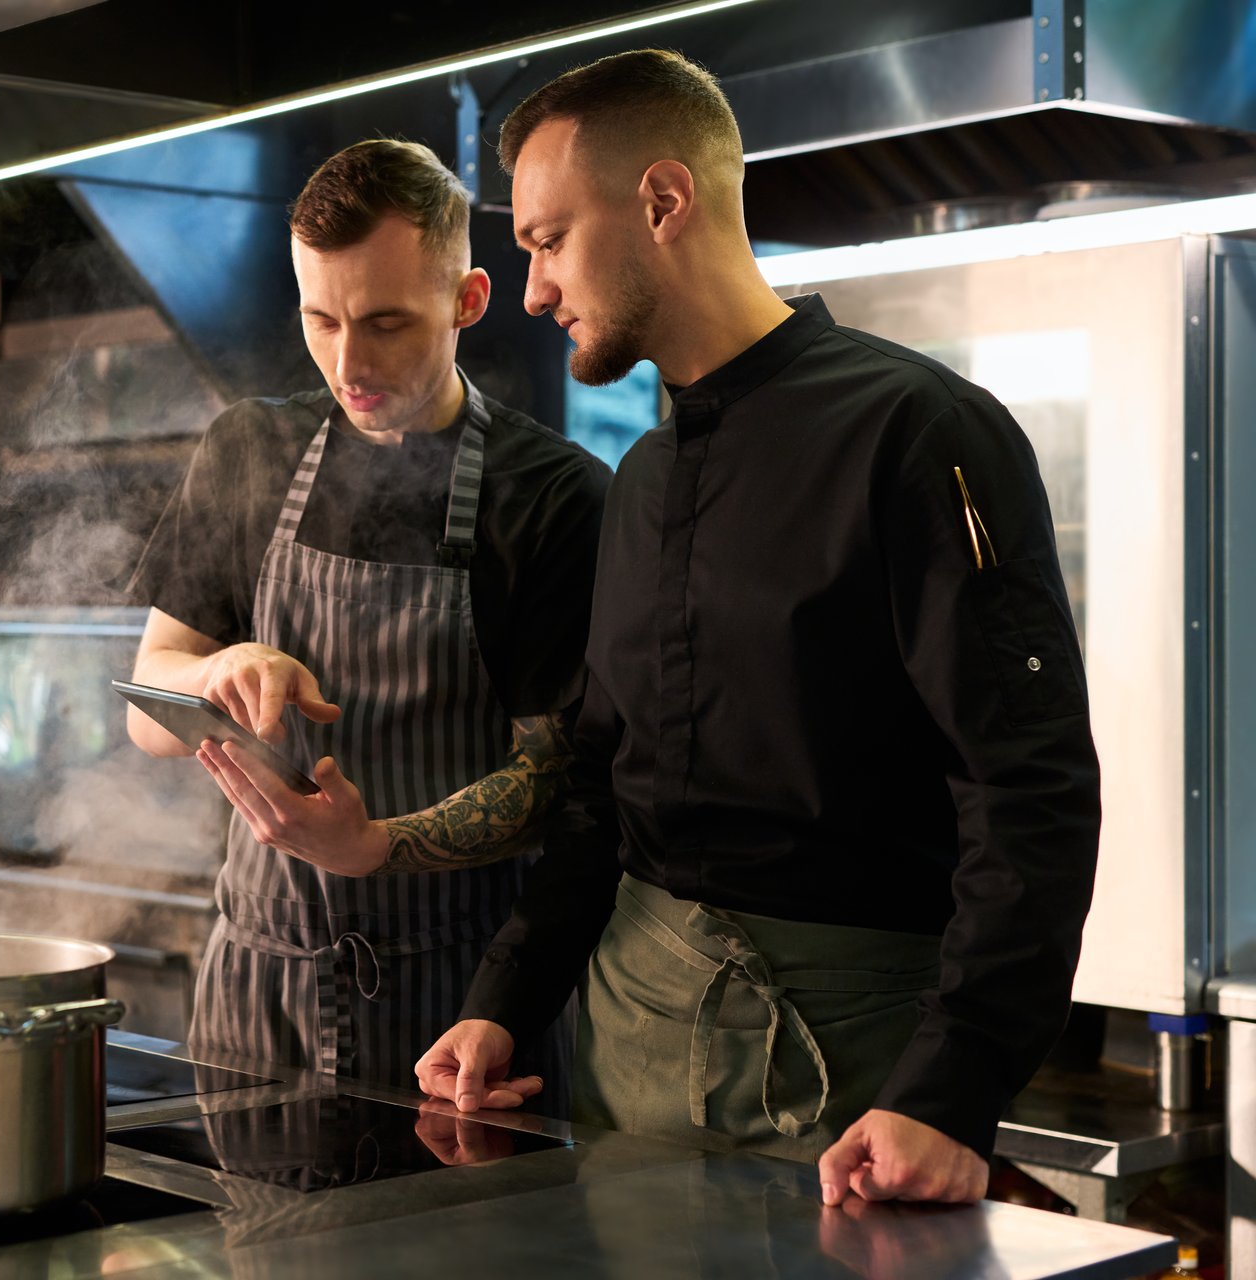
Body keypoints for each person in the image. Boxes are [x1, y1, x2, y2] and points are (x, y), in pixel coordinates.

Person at [414, 49, 1101, 1206]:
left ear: (664, 201)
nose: (531, 290)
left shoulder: (920, 430)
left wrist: (949, 1091)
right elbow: (599, 787)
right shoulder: (638, 477)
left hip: (854, 1084)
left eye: (545, 239)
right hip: (628, 1075)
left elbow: (1027, 791)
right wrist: (503, 999)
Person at [126, 139, 611, 1099]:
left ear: (468, 300)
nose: (350, 362)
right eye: (321, 318)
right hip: (253, 998)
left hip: (459, 1003)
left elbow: (560, 786)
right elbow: (149, 707)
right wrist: (218, 673)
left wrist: (376, 843)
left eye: (387, 322)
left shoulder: (552, 496)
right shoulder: (248, 451)